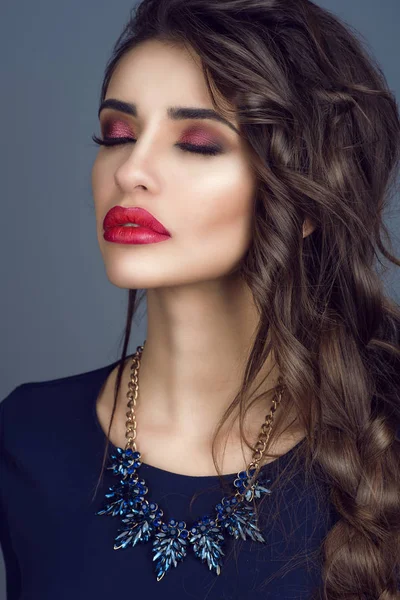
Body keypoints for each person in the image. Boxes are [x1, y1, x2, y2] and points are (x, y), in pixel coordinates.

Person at [1, 0, 400, 598]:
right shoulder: (27, 438)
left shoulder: (385, 442)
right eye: (118, 133)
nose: (131, 170)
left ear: (308, 198)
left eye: (196, 143)